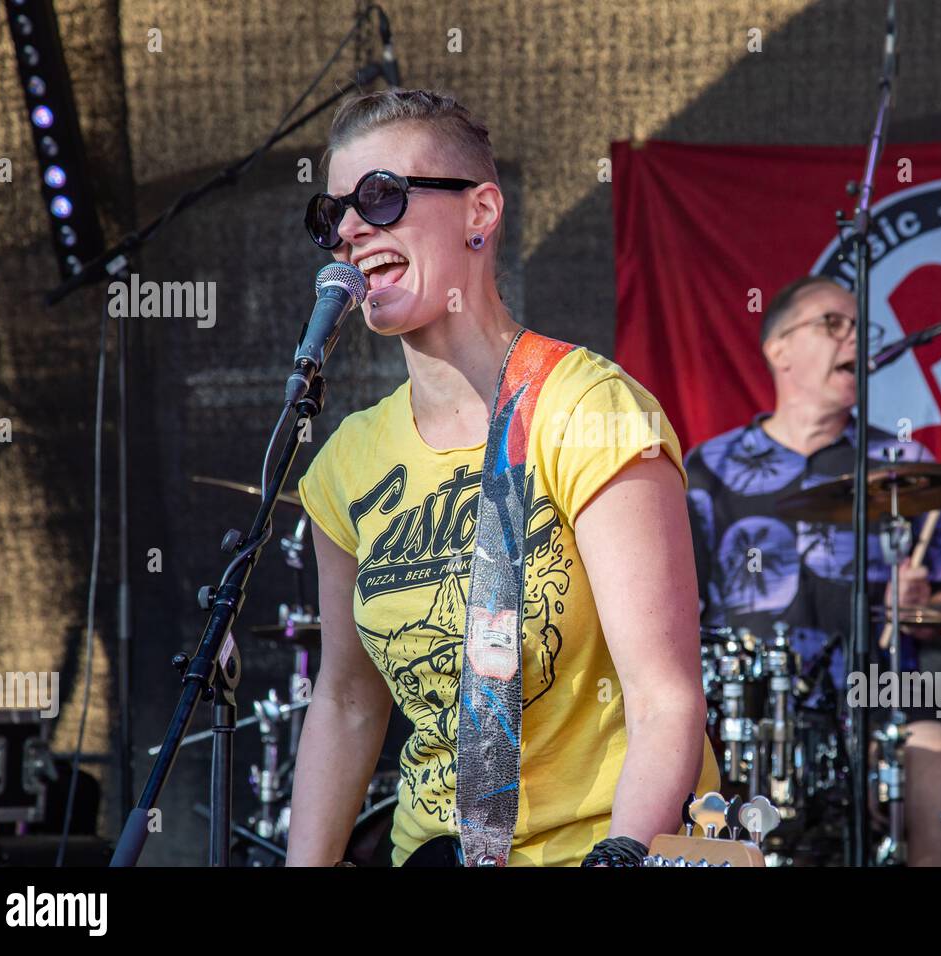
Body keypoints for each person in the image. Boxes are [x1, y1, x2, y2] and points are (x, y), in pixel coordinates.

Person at [286, 89, 718, 867]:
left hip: (601, 845)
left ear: (480, 212)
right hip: (440, 852)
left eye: (380, 197)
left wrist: (622, 853)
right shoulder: (344, 462)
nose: (350, 229)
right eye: (332, 213)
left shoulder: (589, 409)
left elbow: (665, 697)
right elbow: (348, 702)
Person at [685, 275, 941, 866]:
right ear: (779, 349)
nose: (855, 339)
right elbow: (677, 610)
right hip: (746, 713)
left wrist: (924, 608)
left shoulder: (904, 466)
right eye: (833, 324)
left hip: (881, 700)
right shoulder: (712, 467)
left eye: (861, 328)